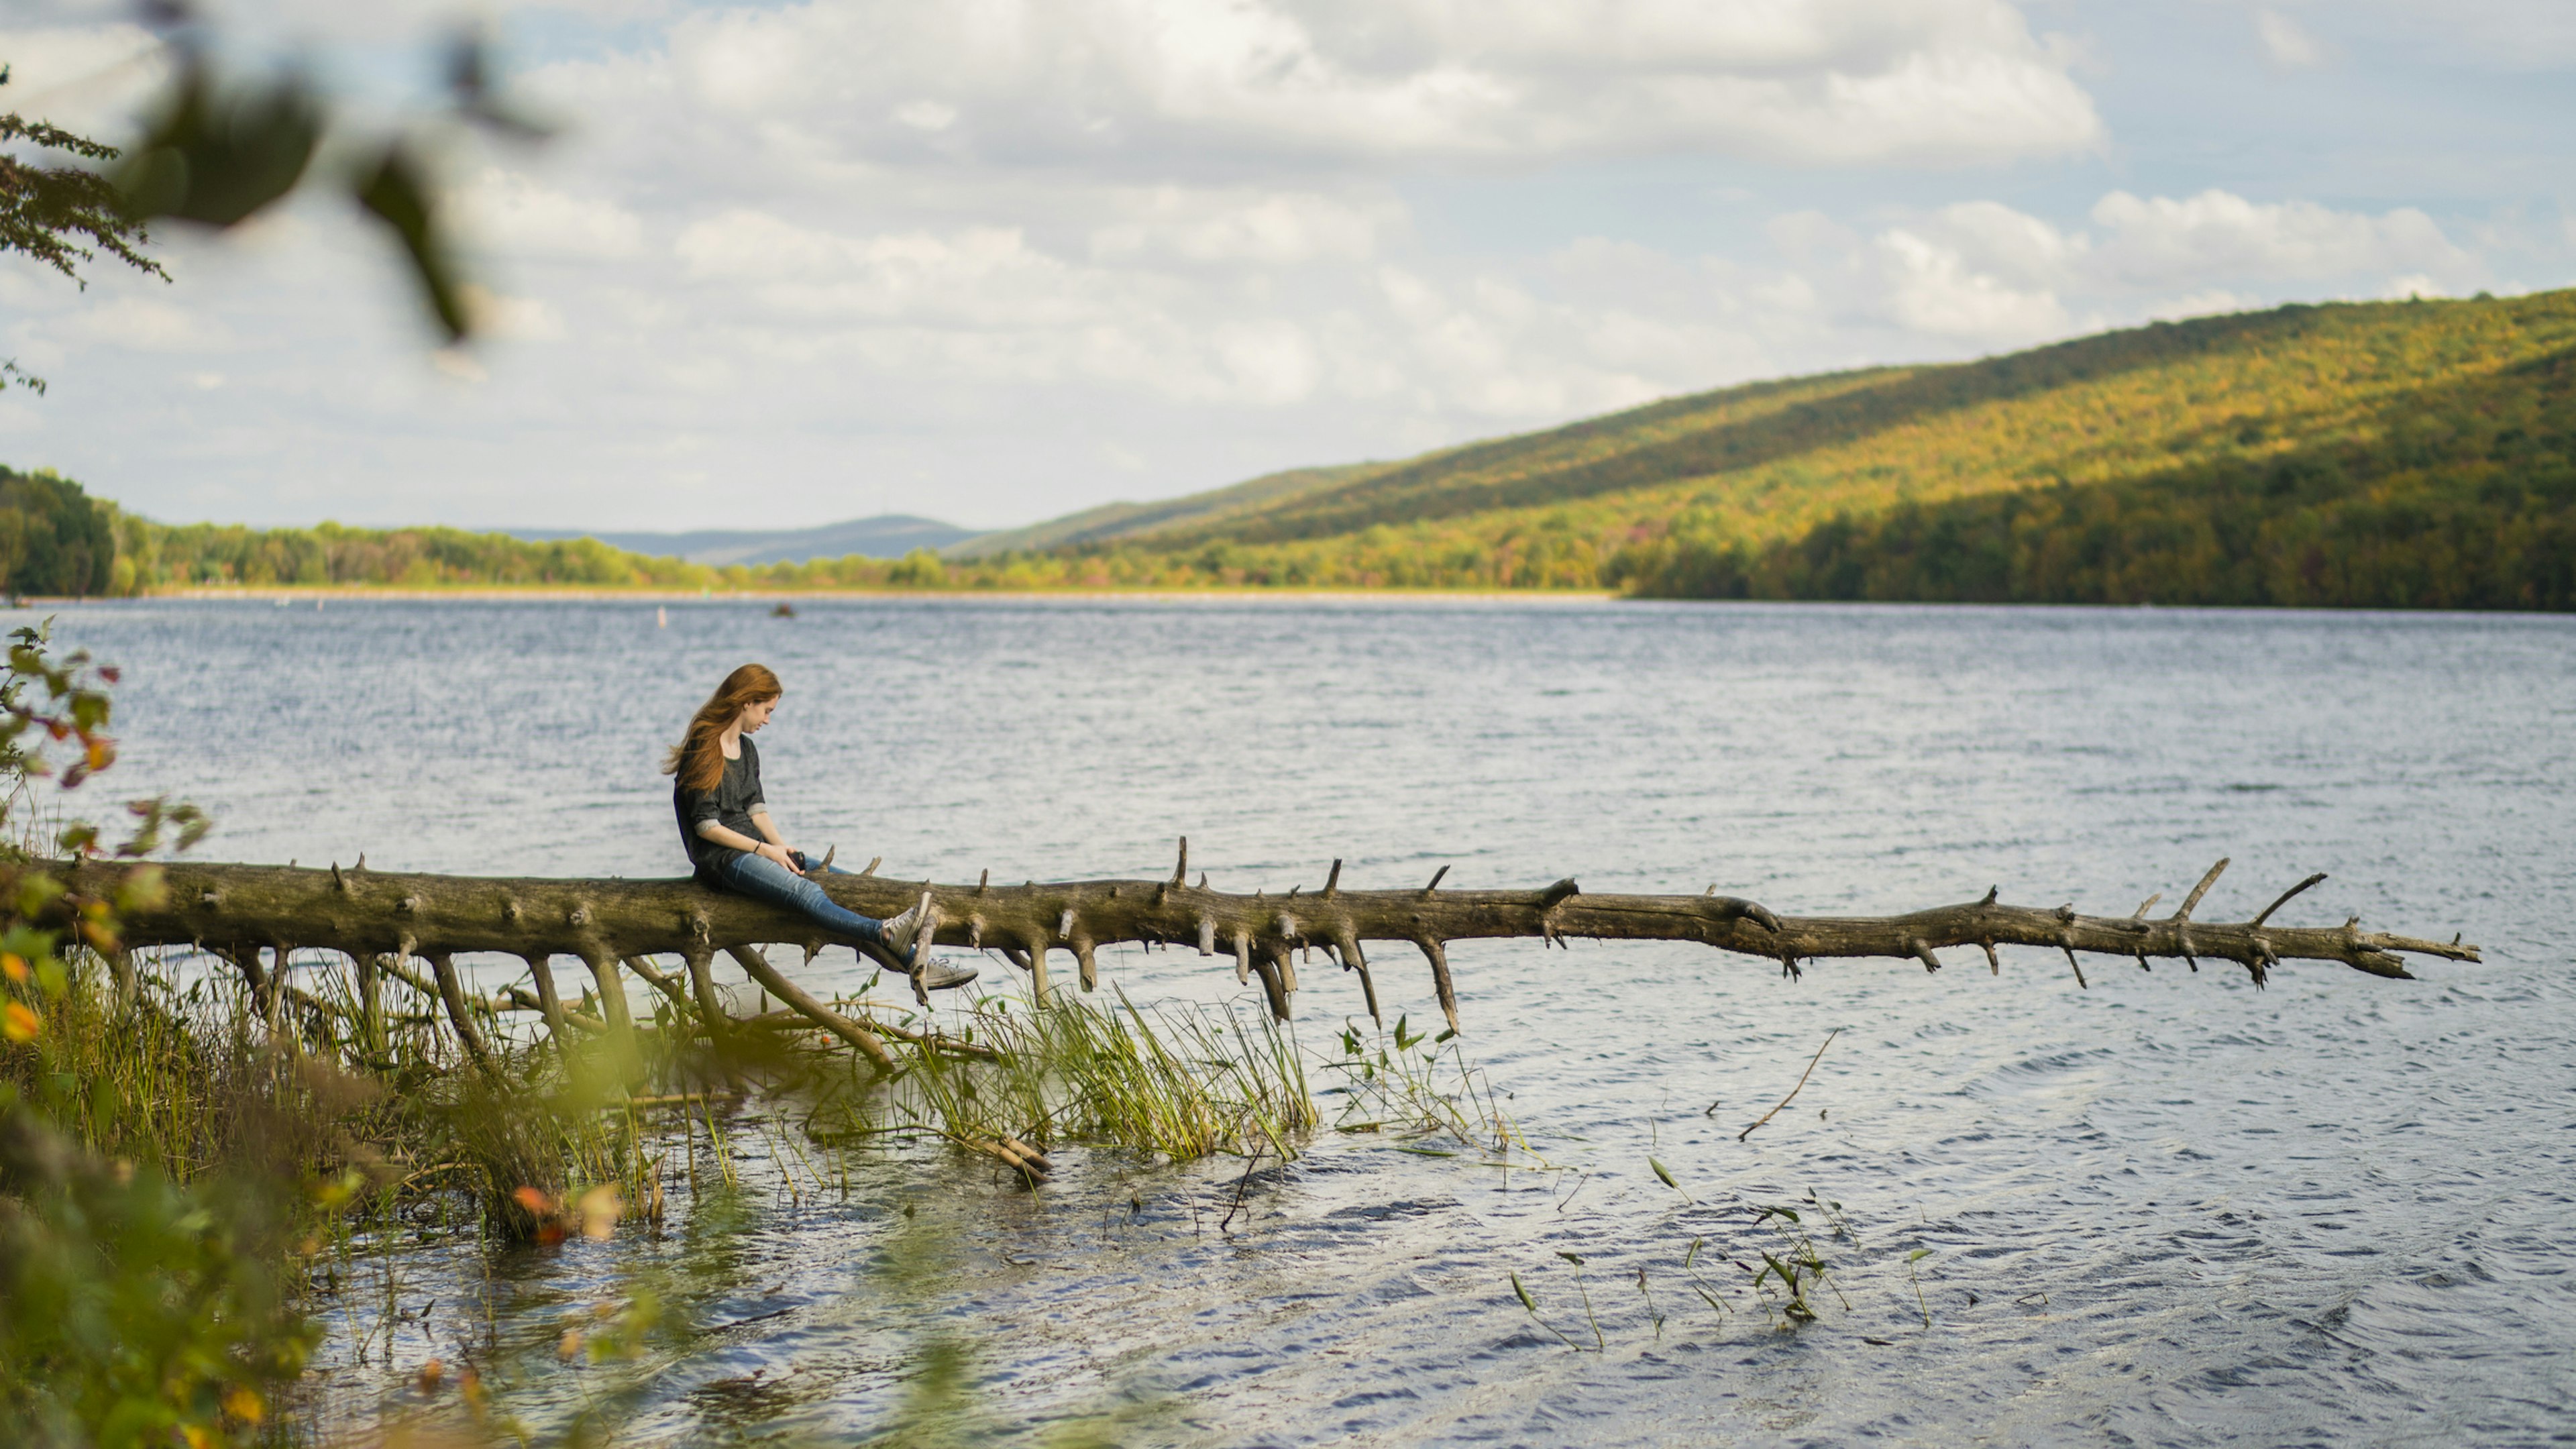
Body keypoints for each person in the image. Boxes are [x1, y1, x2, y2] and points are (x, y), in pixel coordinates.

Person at [665, 662, 975, 991]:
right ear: (747, 702)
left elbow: (757, 812)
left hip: (757, 848)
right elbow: (706, 827)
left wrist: (783, 848)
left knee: (843, 881)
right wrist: (764, 849)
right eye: (766, 710)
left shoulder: (747, 749)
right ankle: (884, 933)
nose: (767, 720)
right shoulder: (704, 748)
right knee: (807, 891)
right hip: (724, 861)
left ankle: (919, 961)